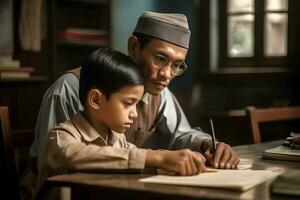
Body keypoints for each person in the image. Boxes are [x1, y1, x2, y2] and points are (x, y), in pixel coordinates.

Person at [30, 11, 239, 177]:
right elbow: (56, 165)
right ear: (134, 47)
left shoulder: (158, 93)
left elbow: (181, 134)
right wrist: (155, 159)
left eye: (177, 65)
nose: (166, 74)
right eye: (160, 58)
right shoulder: (68, 90)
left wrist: (205, 145)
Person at [32, 48, 207, 199]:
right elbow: (76, 155)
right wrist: (157, 158)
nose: (134, 114)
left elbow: (140, 157)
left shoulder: (117, 139)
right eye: (128, 103)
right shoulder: (60, 137)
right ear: (96, 99)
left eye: (137, 104)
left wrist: (177, 159)